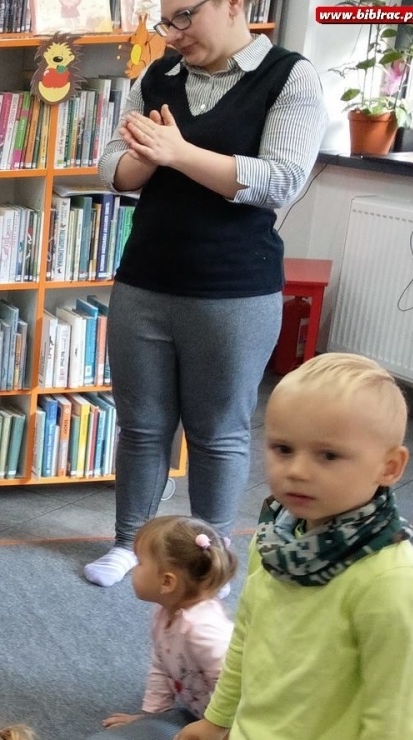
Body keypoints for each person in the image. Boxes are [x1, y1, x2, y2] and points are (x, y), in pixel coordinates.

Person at [172, 353, 413, 740]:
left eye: (329, 455)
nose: (297, 469)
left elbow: (395, 729)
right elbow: (248, 635)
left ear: (389, 467)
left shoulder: (394, 587)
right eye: (282, 448)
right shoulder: (280, 543)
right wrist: (219, 721)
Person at [82, 0, 325, 588]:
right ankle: (129, 544)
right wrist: (142, 158)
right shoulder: (157, 76)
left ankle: (208, 561)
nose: (174, 33)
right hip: (146, 279)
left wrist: (178, 153)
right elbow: (110, 169)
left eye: (184, 16)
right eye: (168, 21)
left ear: (234, 5)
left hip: (234, 290)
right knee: (142, 426)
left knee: (218, 432)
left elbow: (281, 179)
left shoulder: (290, 76)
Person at [102, 515, 237, 740]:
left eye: (139, 563)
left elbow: (241, 689)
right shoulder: (164, 613)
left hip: (242, 719)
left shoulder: (204, 630)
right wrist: (152, 718)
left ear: (167, 582)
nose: (134, 570)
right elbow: (162, 664)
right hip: (203, 707)